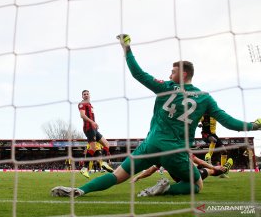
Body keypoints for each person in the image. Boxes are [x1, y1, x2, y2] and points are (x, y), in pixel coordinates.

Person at [51, 34, 261, 197]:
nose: (170, 74)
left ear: (183, 74)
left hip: (150, 145)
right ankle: (166, 189)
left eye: (172, 71)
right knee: (197, 185)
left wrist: (127, 48)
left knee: (117, 176)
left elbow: (138, 74)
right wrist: (253, 126)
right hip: (175, 150)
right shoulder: (205, 98)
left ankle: (81, 191)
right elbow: (228, 121)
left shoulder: (167, 87)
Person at [131, 155, 233, 196]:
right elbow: (200, 161)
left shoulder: (162, 156)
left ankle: (223, 168)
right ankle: (224, 169)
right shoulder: (183, 150)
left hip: (179, 178)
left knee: (204, 169)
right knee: (208, 172)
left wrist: (137, 177)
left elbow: (150, 171)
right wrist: (213, 167)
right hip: (191, 174)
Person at [78, 90, 113, 178]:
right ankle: (86, 168)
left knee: (106, 144)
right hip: (88, 128)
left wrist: (94, 124)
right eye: (84, 94)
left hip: (93, 128)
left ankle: (103, 163)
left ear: (89, 95)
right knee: (93, 148)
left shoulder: (90, 105)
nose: (86, 95)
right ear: (82, 96)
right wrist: (92, 122)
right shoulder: (82, 104)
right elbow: (82, 115)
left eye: (87, 94)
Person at [199, 113, 229, 177]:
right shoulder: (204, 115)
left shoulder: (215, 115)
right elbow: (197, 120)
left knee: (224, 151)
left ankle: (222, 172)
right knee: (213, 140)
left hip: (214, 135)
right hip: (205, 134)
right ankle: (208, 157)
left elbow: (224, 119)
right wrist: (199, 124)